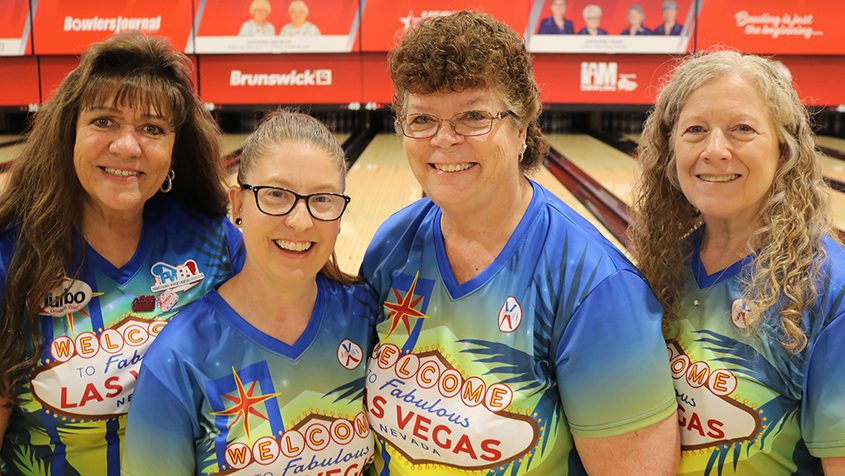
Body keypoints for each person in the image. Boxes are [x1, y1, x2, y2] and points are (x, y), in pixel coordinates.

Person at [362, 10, 679, 476]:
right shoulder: (393, 244)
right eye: (422, 119)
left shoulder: (597, 288)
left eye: (473, 116)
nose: (444, 140)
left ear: (521, 127)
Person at [0, 32, 243, 475]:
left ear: (174, 150)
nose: (127, 146)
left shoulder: (214, 243)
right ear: (69, 131)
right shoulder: (12, 260)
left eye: (152, 128)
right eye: (104, 121)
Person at [122, 111, 376, 475]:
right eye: (276, 194)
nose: (300, 221)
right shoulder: (179, 357)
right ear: (239, 205)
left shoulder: (366, 318)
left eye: (322, 199)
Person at [630, 50, 845, 475]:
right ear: (670, 148)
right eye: (695, 130)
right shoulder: (661, 268)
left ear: (784, 149)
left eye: (742, 129)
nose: (715, 150)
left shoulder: (829, 288)